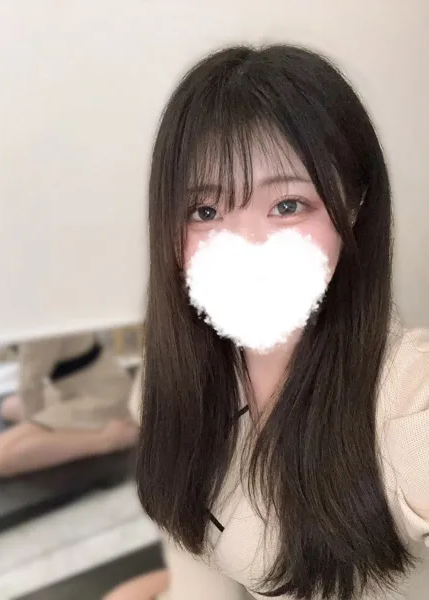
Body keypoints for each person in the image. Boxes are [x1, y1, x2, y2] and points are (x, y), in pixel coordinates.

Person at [133, 44, 429, 600]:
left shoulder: (405, 400)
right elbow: (195, 555)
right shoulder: (170, 375)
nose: (248, 246)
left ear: (354, 206)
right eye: (205, 212)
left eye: (288, 205)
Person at [0, 332, 138, 477]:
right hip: (89, 386)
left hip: (102, 398)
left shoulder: (38, 326)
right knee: (7, 407)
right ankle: (72, 430)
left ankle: (106, 439)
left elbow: (30, 386)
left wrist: (32, 431)